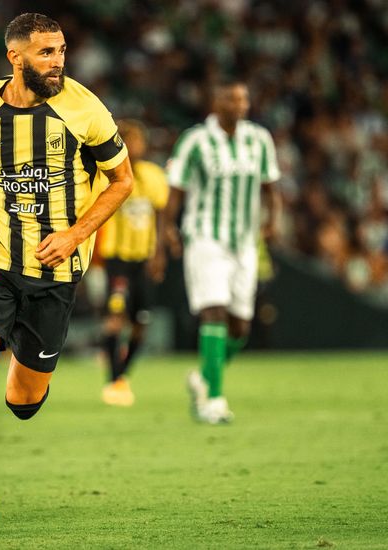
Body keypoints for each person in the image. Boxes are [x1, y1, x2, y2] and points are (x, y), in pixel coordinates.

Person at [0, 13, 133, 535]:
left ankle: (24, 347)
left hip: (54, 273)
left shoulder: (85, 109)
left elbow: (122, 180)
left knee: (23, 403)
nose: (58, 61)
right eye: (46, 52)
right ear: (15, 57)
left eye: (61, 50)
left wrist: (74, 235)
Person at [153, 80, 282, 424]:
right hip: (205, 238)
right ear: (216, 102)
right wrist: (166, 231)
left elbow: (270, 186)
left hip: (245, 241)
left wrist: (273, 222)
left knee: (240, 327)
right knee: (214, 311)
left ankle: (203, 377)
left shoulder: (259, 139)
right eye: (231, 98)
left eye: (243, 98)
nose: (239, 104)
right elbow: (175, 190)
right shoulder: (195, 140)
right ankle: (213, 399)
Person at [96, 119, 168, 406]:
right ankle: (114, 380)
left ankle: (122, 374)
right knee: (115, 318)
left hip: (143, 260)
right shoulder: (108, 175)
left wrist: (159, 253)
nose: (136, 147)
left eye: (139, 141)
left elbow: (160, 215)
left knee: (141, 323)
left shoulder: (153, 175)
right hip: (118, 259)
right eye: (131, 141)